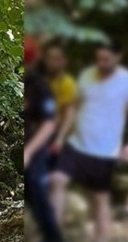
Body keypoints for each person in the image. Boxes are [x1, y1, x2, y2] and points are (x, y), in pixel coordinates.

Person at [49, 40, 128, 242]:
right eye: (99, 58)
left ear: (118, 58)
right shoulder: (87, 75)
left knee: (99, 198)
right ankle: (53, 240)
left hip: (104, 151)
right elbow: (74, 108)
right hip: (76, 144)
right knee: (57, 180)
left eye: (106, 59)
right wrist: (60, 137)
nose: (101, 63)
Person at [23, 35, 69, 242]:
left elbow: (49, 124)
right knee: (32, 199)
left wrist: (30, 151)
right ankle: (47, 240)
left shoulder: (39, 86)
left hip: (37, 150)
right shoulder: (27, 83)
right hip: (29, 148)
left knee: (40, 196)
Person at [41, 41, 78, 169]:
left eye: (56, 59)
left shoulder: (67, 83)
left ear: (64, 61)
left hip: (57, 136)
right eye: (49, 58)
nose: (52, 62)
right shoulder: (41, 81)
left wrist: (60, 139)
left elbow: (70, 113)